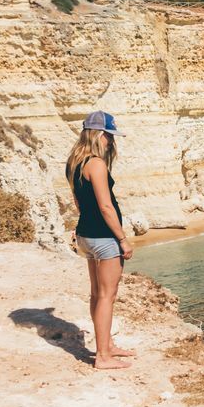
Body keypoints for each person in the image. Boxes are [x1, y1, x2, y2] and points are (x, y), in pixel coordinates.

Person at [65, 110, 136, 369]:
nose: (111, 142)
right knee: (108, 295)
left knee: (97, 294)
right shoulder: (96, 164)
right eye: (109, 136)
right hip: (104, 238)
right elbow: (106, 206)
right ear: (98, 134)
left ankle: (106, 347)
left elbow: (77, 201)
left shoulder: (74, 162)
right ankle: (103, 357)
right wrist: (123, 239)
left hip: (85, 234)